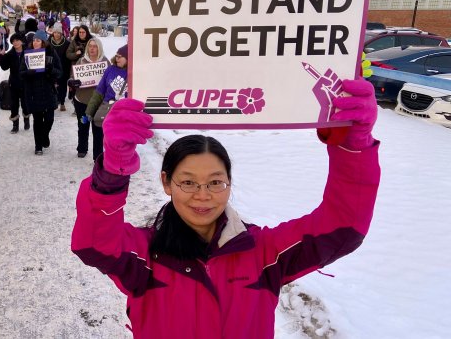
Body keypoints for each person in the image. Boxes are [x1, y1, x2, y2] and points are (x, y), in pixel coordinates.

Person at [71, 77, 380, 338]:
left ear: (229, 183)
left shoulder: (264, 253)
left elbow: (343, 228)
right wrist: (112, 171)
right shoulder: (145, 256)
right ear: (166, 183)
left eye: (215, 182)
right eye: (188, 182)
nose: (202, 196)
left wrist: (353, 146)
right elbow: (93, 243)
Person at [20, 30, 62, 155]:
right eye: (33, 40)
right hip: (33, 91)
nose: (35, 42)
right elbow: (20, 73)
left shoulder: (51, 53)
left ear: (43, 42)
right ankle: (38, 146)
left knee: (49, 119)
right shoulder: (27, 54)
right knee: (37, 120)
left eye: (38, 40)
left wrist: (50, 70)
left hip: (48, 91)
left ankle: (45, 135)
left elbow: (59, 72)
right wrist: (28, 72)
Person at [67, 38, 110, 159]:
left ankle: (98, 155)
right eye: (90, 46)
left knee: (98, 129)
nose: (92, 48)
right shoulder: (81, 61)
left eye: (95, 46)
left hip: (99, 102)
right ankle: (82, 148)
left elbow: (111, 80)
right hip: (82, 100)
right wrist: (71, 82)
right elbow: (72, 76)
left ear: (99, 48)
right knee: (83, 126)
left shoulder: (105, 62)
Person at [83, 44, 129, 151]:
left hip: (123, 114)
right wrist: (89, 112)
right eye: (116, 56)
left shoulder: (133, 72)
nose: (117, 59)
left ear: (128, 58)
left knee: (117, 144)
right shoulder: (110, 69)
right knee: (99, 134)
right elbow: (99, 91)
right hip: (107, 109)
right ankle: (98, 160)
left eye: (120, 57)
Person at [0, 32, 31, 133]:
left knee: (25, 103)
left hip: (26, 82)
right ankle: (15, 125)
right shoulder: (10, 54)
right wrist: (2, 57)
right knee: (14, 104)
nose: (15, 43)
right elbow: (4, 67)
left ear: (22, 41)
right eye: (13, 41)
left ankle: (26, 120)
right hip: (14, 82)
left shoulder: (29, 52)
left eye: (17, 40)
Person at [49, 23, 71, 112]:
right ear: (53, 33)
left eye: (58, 33)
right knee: (53, 85)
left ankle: (62, 102)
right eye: (55, 32)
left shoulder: (66, 43)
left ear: (61, 33)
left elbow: (69, 55)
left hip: (63, 67)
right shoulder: (48, 42)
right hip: (52, 67)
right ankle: (54, 101)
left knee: (62, 85)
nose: (57, 34)